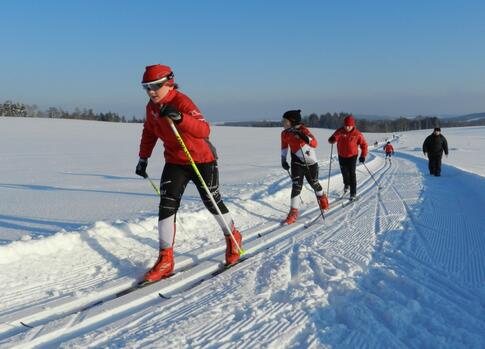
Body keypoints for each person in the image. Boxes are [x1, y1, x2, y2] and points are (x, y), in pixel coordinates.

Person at [135, 64, 242, 282]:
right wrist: (143, 158)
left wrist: (180, 118)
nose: (151, 91)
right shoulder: (151, 107)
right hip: (175, 160)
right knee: (166, 204)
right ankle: (165, 259)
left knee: (212, 201)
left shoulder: (181, 101)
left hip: (201, 159)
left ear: (169, 82)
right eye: (146, 87)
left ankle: (233, 238)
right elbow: (149, 131)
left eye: (155, 86)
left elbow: (204, 130)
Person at [281, 110, 329, 224]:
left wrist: (302, 135)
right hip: (296, 162)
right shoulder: (284, 133)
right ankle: (293, 212)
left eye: (285, 121)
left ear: (292, 122)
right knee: (296, 185)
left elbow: (314, 143)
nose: (283, 123)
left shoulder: (303, 130)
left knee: (314, 184)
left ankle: (322, 198)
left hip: (311, 163)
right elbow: (284, 147)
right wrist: (283, 160)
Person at [328, 115, 368, 200]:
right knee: (344, 172)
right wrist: (332, 139)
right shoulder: (340, 131)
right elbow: (334, 137)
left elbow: (364, 145)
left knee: (352, 174)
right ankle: (346, 184)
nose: (347, 127)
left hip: (352, 156)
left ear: (353, 125)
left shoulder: (357, 134)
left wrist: (363, 156)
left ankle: (353, 193)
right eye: (346, 125)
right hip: (342, 155)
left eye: (349, 126)